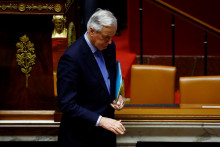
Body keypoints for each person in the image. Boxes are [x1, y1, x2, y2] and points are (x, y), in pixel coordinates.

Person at [57, 9, 125, 147]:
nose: (110, 42)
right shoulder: (71, 58)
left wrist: (116, 95)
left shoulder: (109, 47)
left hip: (106, 135)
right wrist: (101, 120)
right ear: (92, 31)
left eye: (112, 36)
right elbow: (67, 104)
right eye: (106, 37)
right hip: (81, 137)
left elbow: (109, 77)